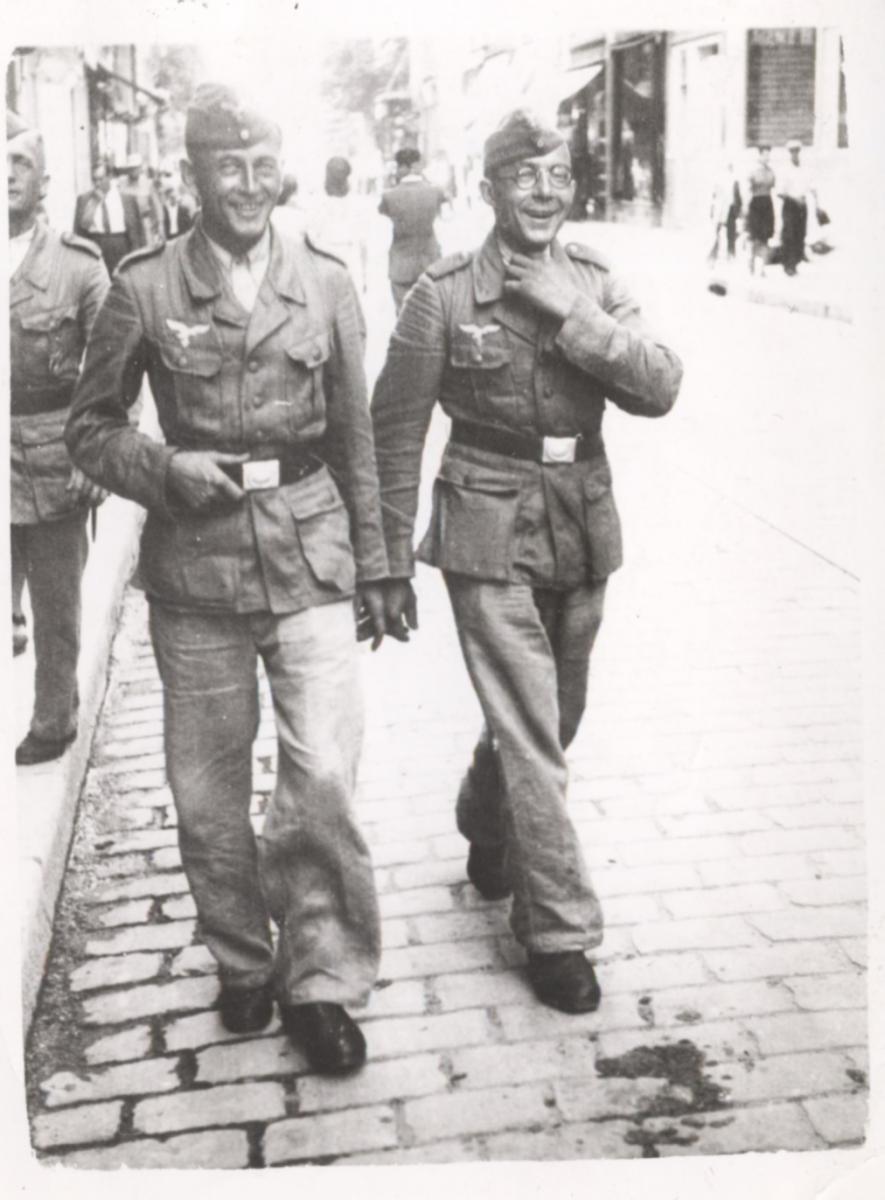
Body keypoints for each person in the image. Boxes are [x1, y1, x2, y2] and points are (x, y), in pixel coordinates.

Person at [65, 83, 389, 1075]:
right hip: (196, 571)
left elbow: (355, 436)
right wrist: (163, 471)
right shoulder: (145, 287)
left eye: (261, 167)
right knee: (206, 790)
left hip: (312, 554)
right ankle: (242, 956)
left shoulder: (325, 283)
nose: (246, 187)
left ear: (279, 168)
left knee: (322, 779)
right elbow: (91, 428)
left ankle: (324, 980)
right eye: (225, 167)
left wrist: (377, 563)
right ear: (191, 174)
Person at [371, 110, 683, 1014]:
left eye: (556, 175)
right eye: (523, 177)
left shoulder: (591, 279)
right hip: (483, 520)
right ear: (489, 190)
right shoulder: (443, 291)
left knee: (554, 716)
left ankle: (483, 810)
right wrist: (388, 560)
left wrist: (569, 312)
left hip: (580, 521)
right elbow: (395, 430)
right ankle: (557, 931)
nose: (542, 192)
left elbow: (658, 385)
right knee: (534, 728)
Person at [8, 110, 110, 764]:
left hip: (51, 449)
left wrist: (94, 454)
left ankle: (53, 717)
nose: (4, 175)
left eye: (17, 163)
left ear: (43, 180)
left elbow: (113, 368)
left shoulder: (78, 268)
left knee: (54, 604)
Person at [378, 146, 446, 313]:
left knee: (403, 317)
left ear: (404, 167)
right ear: (417, 165)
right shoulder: (435, 191)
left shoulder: (388, 196)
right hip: (430, 260)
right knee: (431, 315)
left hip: (401, 264)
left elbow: (383, 216)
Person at [306, 156, 368, 293]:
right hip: (349, 261)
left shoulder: (317, 204)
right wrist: (364, 276)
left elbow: (310, 240)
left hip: (323, 261)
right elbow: (363, 244)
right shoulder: (357, 204)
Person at [73, 159, 145, 274]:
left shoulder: (127, 200)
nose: (97, 184)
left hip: (121, 247)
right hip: (96, 247)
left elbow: (137, 234)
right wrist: (93, 203)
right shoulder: (85, 200)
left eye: (100, 179)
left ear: (109, 177)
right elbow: (80, 232)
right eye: (94, 180)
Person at [779, 138, 816, 276]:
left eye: (797, 151)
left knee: (800, 234)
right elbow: (780, 193)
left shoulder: (804, 169)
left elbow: (812, 187)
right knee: (789, 235)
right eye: (792, 152)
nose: (795, 154)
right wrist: (794, 198)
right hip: (790, 205)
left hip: (802, 206)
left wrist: (817, 204)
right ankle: (788, 265)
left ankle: (796, 262)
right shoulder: (785, 169)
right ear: (789, 153)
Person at [745, 145, 776, 277]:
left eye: (768, 154)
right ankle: (751, 264)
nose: (767, 157)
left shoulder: (771, 172)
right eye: (765, 154)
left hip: (767, 203)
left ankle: (762, 268)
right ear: (759, 155)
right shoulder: (753, 171)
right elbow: (748, 189)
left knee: (765, 236)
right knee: (754, 236)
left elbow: (773, 186)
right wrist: (746, 207)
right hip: (756, 203)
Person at [156, 158, 195, 239]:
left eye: (167, 175)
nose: (163, 179)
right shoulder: (162, 203)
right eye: (161, 175)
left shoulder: (187, 200)